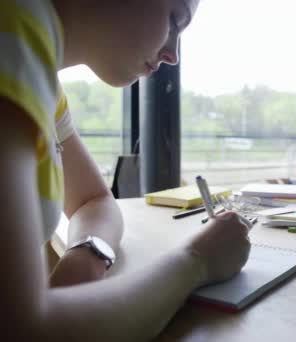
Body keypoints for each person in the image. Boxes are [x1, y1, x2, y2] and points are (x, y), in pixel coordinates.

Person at [0, 0, 252, 340]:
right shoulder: (12, 36)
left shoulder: (40, 77)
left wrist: (88, 254)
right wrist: (196, 261)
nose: (172, 54)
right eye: (175, 20)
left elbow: (93, 200)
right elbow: (26, 331)